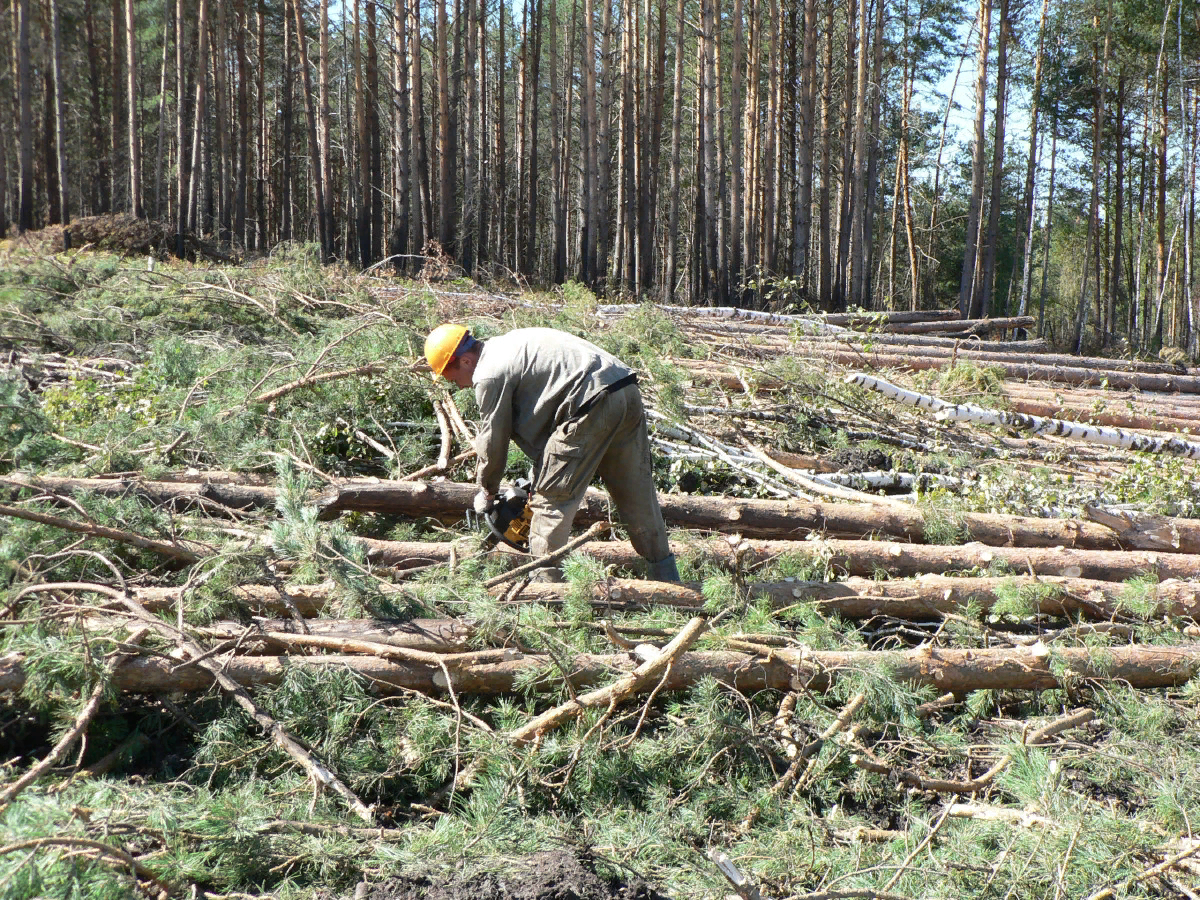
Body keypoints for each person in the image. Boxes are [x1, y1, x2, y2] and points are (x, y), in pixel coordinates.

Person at [424, 323, 680, 582]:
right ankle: (667, 579)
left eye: (453, 378)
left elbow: (493, 440)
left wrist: (488, 491)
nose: (459, 386)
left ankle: (547, 594)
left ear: (465, 361)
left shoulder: (488, 374)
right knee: (637, 493)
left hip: (588, 404)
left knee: (550, 503)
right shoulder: (512, 342)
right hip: (624, 388)